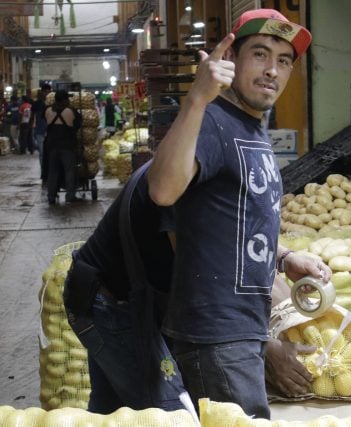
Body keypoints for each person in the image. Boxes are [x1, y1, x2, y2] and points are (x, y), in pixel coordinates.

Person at [147, 8, 325, 419]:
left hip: (241, 332)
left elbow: (233, 222)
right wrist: (195, 98)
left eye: (283, 61)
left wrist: (283, 257)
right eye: (260, 54)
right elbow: (162, 190)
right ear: (232, 60)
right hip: (216, 337)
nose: (272, 71)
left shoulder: (250, 127)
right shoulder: (211, 121)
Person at [62, 161, 190, 414]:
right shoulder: (180, 177)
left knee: (110, 410)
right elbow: (198, 274)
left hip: (123, 296)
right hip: (107, 302)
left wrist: (282, 257)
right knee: (167, 414)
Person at [44, 90, 82, 205]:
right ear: (65, 100)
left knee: (53, 171)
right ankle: (70, 195)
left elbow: (45, 122)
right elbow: (78, 125)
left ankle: (51, 196)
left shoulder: (47, 110)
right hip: (67, 145)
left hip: (52, 146)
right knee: (69, 170)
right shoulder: (71, 111)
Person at [32, 84, 52, 178]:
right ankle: (44, 172)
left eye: (49, 92)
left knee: (51, 153)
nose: (47, 93)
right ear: (42, 92)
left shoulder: (52, 103)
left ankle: (51, 172)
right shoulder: (37, 104)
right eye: (45, 91)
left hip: (51, 131)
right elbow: (33, 117)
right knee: (42, 153)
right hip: (40, 131)